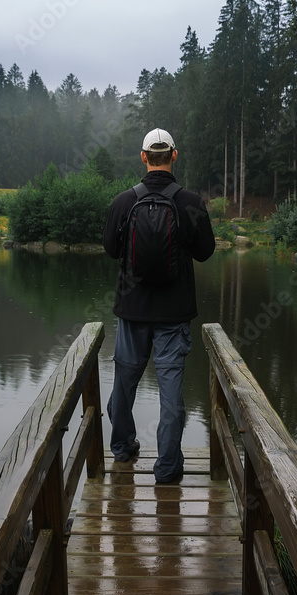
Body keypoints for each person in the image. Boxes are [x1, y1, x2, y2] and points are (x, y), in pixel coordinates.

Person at [102, 128, 216, 484]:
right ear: (174, 155)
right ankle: (167, 467)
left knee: (124, 383)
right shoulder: (192, 203)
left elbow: (110, 248)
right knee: (170, 393)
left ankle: (122, 447)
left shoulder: (123, 201)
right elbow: (206, 252)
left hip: (132, 311)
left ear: (143, 157)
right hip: (174, 313)